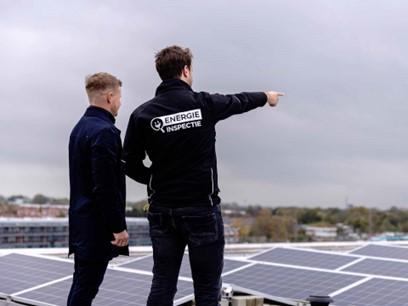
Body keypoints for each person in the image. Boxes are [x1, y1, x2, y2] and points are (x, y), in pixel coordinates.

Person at [123, 45, 283, 306]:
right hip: (201, 211)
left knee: (162, 282)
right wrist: (267, 96)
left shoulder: (143, 114)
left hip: (163, 212)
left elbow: (129, 163)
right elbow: (239, 100)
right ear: (186, 70)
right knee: (207, 289)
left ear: (161, 74)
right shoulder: (204, 104)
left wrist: (153, 180)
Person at [67, 72, 129, 306]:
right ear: (110, 97)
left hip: (82, 225)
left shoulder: (79, 128)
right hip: (97, 229)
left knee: (82, 286)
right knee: (85, 289)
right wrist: (118, 228)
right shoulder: (105, 132)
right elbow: (105, 186)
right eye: (120, 96)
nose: (120, 102)